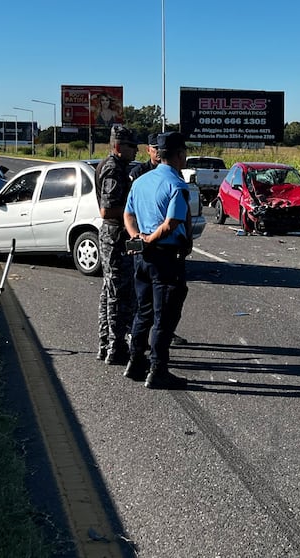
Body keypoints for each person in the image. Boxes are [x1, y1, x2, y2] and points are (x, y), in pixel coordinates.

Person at [123, 131, 192, 389]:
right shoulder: (177, 185)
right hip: (164, 257)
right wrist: (150, 239)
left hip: (141, 256)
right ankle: (158, 370)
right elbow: (172, 222)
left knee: (143, 312)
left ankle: (135, 361)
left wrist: (137, 238)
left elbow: (128, 214)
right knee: (165, 316)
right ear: (179, 155)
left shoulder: (141, 182)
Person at [95, 125, 139, 365]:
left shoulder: (116, 166)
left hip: (117, 236)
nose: (136, 151)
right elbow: (107, 209)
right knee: (117, 294)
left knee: (110, 291)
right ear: (119, 146)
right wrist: (133, 210)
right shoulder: (113, 169)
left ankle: (106, 343)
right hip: (116, 236)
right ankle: (115, 346)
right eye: (132, 146)